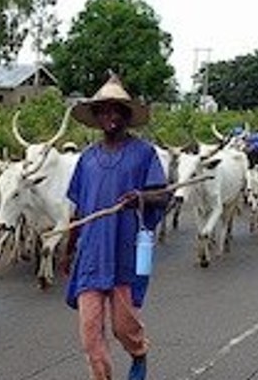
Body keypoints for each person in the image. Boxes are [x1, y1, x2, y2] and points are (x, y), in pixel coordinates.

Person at [62, 74, 168, 380]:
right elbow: (79, 209)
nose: (111, 116)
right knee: (90, 336)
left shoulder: (143, 154)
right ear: (96, 116)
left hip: (125, 251)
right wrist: (69, 250)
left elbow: (164, 195)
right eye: (104, 110)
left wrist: (141, 197)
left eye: (117, 110)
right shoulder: (87, 159)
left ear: (126, 116)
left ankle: (139, 352)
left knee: (124, 327)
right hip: (91, 256)